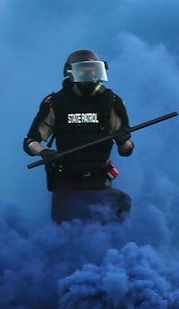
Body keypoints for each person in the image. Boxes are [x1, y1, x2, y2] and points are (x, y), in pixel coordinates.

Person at [23, 49, 134, 224]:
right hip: (66, 181)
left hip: (99, 180)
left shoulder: (111, 101)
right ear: (70, 73)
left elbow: (126, 149)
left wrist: (124, 141)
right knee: (66, 230)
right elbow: (30, 143)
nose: (89, 73)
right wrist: (44, 152)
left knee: (120, 206)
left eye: (93, 69)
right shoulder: (55, 103)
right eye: (83, 69)